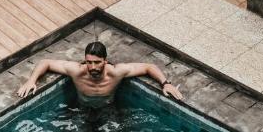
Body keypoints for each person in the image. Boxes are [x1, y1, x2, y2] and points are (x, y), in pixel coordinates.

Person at [16, 41, 183, 107]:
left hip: (108, 111)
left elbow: (148, 67)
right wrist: (32, 81)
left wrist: (165, 83)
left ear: (105, 60)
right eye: (89, 62)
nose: (92, 66)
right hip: (82, 111)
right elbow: (46, 62)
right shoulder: (77, 71)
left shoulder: (117, 72)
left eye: (97, 62)